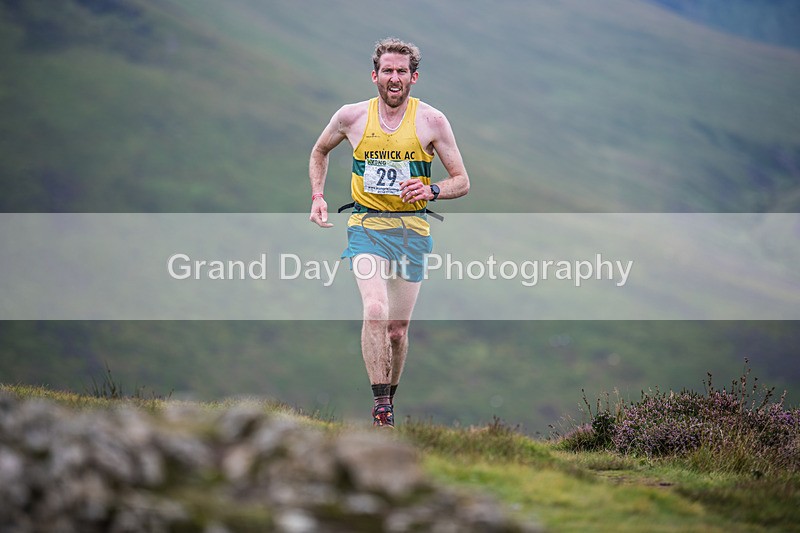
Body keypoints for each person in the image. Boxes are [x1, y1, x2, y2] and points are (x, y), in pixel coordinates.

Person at [308, 37, 469, 427]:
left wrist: (431, 189)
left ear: (414, 77)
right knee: (376, 311)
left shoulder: (432, 121)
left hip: (412, 231)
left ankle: (389, 399)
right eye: (387, 71)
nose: (393, 78)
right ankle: (382, 409)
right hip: (365, 226)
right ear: (374, 76)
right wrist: (318, 195)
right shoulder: (351, 117)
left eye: (401, 71)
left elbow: (462, 181)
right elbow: (319, 152)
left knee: (397, 331)